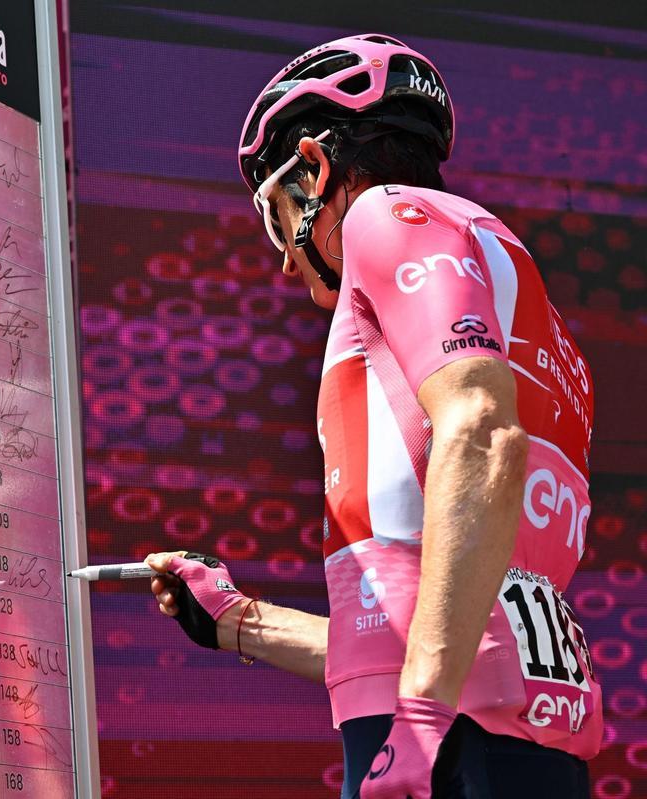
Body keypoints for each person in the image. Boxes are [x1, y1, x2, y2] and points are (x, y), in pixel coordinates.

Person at [146, 34, 599, 798]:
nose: (285, 261)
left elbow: (484, 434)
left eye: (277, 212)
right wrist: (238, 621)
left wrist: (420, 717)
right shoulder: (538, 318)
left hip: (440, 734)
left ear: (317, 169)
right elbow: (440, 618)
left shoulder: (384, 216)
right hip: (522, 730)